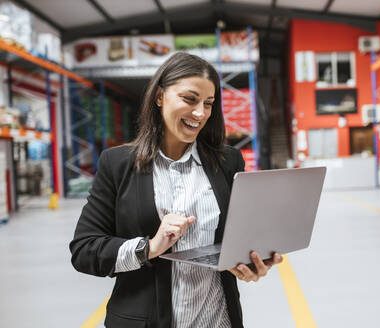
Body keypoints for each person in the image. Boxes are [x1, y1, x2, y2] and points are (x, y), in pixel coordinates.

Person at [69, 52, 282, 328]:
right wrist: (150, 247)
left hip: (216, 320)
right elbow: (84, 250)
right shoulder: (118, 164)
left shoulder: (228, 162)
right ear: (159, 96)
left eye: (208, 104)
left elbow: (238, 238)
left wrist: (251, 263)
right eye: (189, 99)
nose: (200, 113)